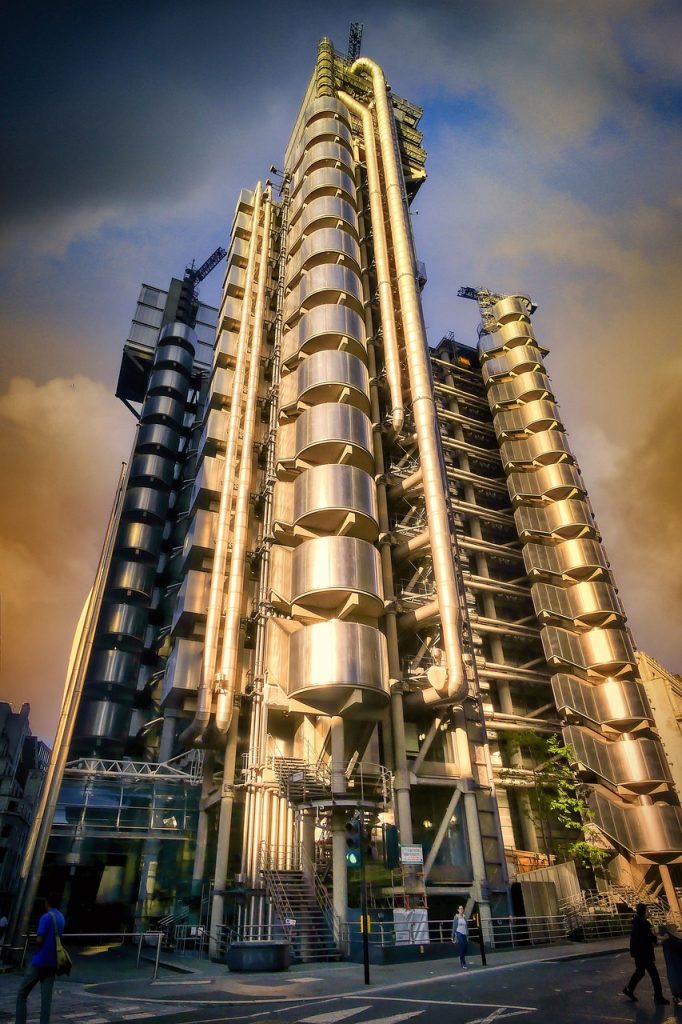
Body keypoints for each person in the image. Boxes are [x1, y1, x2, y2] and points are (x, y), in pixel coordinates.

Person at [15, 893, 65, 1024]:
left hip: (40, 961)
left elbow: (40, 940)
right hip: (53, 962)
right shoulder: (61, 917)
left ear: (47, 902)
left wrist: (31, 938)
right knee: (46, 1000)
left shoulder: (45, 917)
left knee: (22, 993)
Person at [623, 902, 669, 1005]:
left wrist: (657, 941)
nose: (649, 912)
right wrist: (664, 938)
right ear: (643, 911)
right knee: (654, 975)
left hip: (638, 952)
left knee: (640, 972)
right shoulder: (642, 923)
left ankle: (629, 989)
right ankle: (658, 997)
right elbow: (650, 937)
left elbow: (645, 937)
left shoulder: (637, 922)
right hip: (644, 953)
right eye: (647, 910)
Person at [452, 903, 469, 968]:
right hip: (459, 933)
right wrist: (452, 935)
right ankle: (463, 963)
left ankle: (461, 957)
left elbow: (466, 926)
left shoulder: (464, 916)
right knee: (462, 947)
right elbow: (454, 926)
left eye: (462, 908)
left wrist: (468, 934)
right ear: (458, 910)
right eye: (460, 909)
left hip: (464, 933)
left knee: (465, 948)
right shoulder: (456, 917)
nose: (461, 910)